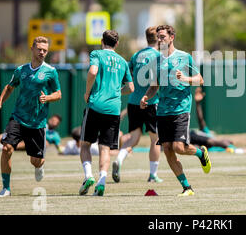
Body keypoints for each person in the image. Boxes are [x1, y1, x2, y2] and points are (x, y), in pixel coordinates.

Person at [140, 25, 210, 196]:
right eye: (158, 37)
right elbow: (154, 86)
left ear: (172, 38)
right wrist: (146, 97)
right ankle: (187, 187)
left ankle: (201, 153)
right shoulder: (156, 61)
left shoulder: (184, 57)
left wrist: (185, 78)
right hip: (163, 110)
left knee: (179, 147)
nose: (159, 39)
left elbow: (199, 79)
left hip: (181, 108)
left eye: (162, 36)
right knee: (168, 149)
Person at [0, 36, 62, 197]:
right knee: (6, 148)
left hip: (37, 123)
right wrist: (0, 102)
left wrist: (48, 98)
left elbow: (58, 94)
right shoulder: (21, 70)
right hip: (18, 117)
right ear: (32, 49)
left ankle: (40, 166)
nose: (42, 52)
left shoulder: (51, 71)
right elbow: (9, 87)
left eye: (45, 50)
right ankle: (6, 188)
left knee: (35, 161)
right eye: (39, 49)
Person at [79, 30, 134, 197]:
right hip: (114, 109)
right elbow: (131, 88)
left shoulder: (97, 54)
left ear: (102, 41)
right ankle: (102, 180)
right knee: (105, 149)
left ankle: (88, 175)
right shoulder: (123, 62)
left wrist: (88, 92)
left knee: (85, 144)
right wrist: (117, 91)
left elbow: (93, 72)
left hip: (95, 105)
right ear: (116, 44)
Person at [112, 26, 163, 184]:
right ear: (158, 39)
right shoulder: (160, 56)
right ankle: (153, 175)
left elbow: (127, 77)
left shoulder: (136, 55)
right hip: (150, 101)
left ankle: (119, 160)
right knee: (156, 139)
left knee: (134, 137)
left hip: (133, 101)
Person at [0, 114, 64, 153]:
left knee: (44, 143)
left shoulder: (55, 135)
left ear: (57, 124)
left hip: (33, 145)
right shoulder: (40, 123)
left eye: (56, 121)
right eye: (53, 119)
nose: (53, 122)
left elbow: (59, 148)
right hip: (26, 135)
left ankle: (4, 147)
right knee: (11, 132)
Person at [190, 87, 235, 152]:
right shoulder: (208, 134)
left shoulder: (226, 149)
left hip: (194, 145)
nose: (229, 140)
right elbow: (201, 119)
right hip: (189, 136)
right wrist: (198, 103)